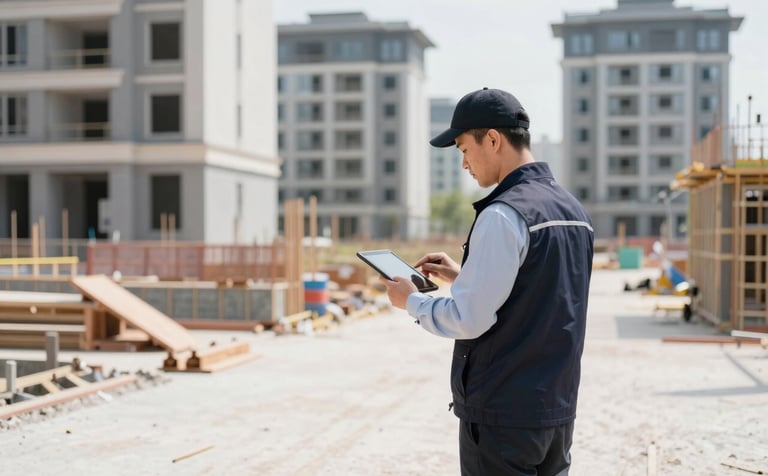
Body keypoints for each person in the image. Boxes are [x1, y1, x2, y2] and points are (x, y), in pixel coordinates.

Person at [382, 87, 594, 475]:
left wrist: (410, 302)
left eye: (464, 149)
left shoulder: (503, 214)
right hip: (556, 411)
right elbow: (540, 295)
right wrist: (467, 276)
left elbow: (469, 317)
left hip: (504, 416)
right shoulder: (572, 209)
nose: (464, 164)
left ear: (493, 140)